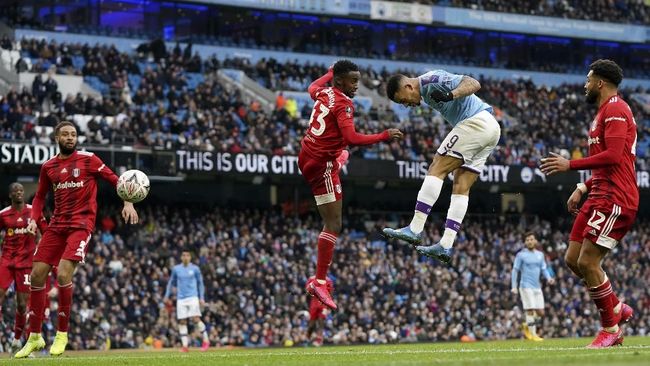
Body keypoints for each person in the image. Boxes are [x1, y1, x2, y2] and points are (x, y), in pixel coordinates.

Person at [15, 121, 139, 358]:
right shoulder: (48, 166)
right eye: (66, 134)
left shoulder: (89, 159)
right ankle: (35, 337)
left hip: (81, 224)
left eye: (73, 134)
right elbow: (40, 197)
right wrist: (33, 217)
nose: (70, 138)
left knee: (62, 274)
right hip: (57, 224)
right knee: (38, 274)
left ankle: (62, 334)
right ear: (57, 138)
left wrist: (128, 201)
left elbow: (116, 179)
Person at [540, 59, 637, 348]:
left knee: (588, 261)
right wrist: (583, 186)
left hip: (616, 198)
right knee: (572, 259)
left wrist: (570, 165)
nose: (584, 84)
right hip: (598, 194)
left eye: (587, 79)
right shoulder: (603, 112)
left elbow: (615, 157)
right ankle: (617, 307)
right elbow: (607, 164)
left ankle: (611, 328)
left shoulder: (617, 110)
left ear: (600, 83)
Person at [298, 59, 403, 310]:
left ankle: (339, 160)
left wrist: (329, 73)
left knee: (341, 153)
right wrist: (384, 136)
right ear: (340, 82)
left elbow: (312, 86)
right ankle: (319, 281)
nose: (357, 85)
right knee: (334, 224)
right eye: (353, 81)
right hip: (321, 165)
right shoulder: (344, 103)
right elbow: (352, 137)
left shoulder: (324, 92)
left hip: (307, 155)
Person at [382, 70, 500, 264]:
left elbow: (473, 83)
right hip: (490, 129)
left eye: (404, 99)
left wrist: (450, 94)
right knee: (461, 186)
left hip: (476, 122)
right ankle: (446, 244)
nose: (406, 105)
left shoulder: (431, 80)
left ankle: (415, 228)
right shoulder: (426, 91)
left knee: (437, 166)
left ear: (408, 86)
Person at [0, 183, 47, 354]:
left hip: (26, 264)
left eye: (21, 190)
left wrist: (41, 243)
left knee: (21, 305)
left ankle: (16, 340)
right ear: (10, 195)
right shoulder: (3, 214)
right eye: (15, 191)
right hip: (6, 261)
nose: (19, 193)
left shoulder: (33, 211)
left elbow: (46, 231)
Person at [163, 248, 209, 352]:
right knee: (182, 321)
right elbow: (171, 282)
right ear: (181, 257)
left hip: (192, 297)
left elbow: (200, 283)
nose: (185, 257)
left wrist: (201, 297)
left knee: (195, 319)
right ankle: (185, 346)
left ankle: (206, 340)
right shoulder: (176, 269)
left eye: (187, 255)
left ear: (190, 257)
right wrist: (167, 295)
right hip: (181, 299)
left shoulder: (195, 269)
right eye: (183, 255)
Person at [511, 232, 554, 341]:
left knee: (541, 312)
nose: (529, 241)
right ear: (525, 242)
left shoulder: (540, 255)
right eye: (527, 240)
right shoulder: (521, 255)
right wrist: (514, 286)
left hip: (537, 287)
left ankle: (527, 325)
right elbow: (515, 270)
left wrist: (548, 278)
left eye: (531, 239)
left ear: (535, 241)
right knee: (530, 310)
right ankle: (533, 335)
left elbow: (544, 269)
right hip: (525, 286)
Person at [305, 276, 333, 346]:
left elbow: (330, 293)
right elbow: (307, 293)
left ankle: (319, 340)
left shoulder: (328, 280)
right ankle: (307, 338)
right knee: (312, 324)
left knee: (321, 321)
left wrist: (329, 305)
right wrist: (311, 289)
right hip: (313, 304)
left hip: (323, 304)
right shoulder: (311, 279)